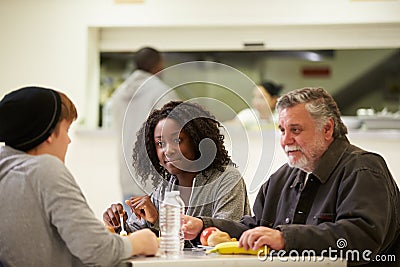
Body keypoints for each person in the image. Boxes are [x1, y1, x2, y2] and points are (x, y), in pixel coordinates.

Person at [182, 87, 400, 266]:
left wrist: (285, 238)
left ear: (327, 128)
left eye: (295, 130)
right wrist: (203, 225)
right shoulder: (283, 177)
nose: (285, 141)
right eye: (282, 130)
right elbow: (254, 228)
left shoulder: (363, 168)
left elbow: (361, 238)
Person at [0, 86, 158, 267]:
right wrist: (139, 242)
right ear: (50, 134)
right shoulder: (44, 170)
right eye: (66, 130)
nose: (68, 140)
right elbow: (98, 250)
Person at [103, 101, 251, 245]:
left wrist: (158, 220)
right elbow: (137, 234)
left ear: (197, 140)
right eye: (160, 144)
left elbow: (221, 238)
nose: (168, 150)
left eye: (177, 140)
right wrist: (119, 225)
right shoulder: (166, 187)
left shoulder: (227, 179)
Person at [107, 46, 180, 213]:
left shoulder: (119, 93)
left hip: (127, 171)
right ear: (158, 65)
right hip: (154, 177)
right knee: (160, 233)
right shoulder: (161, 92)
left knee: (133, 231)